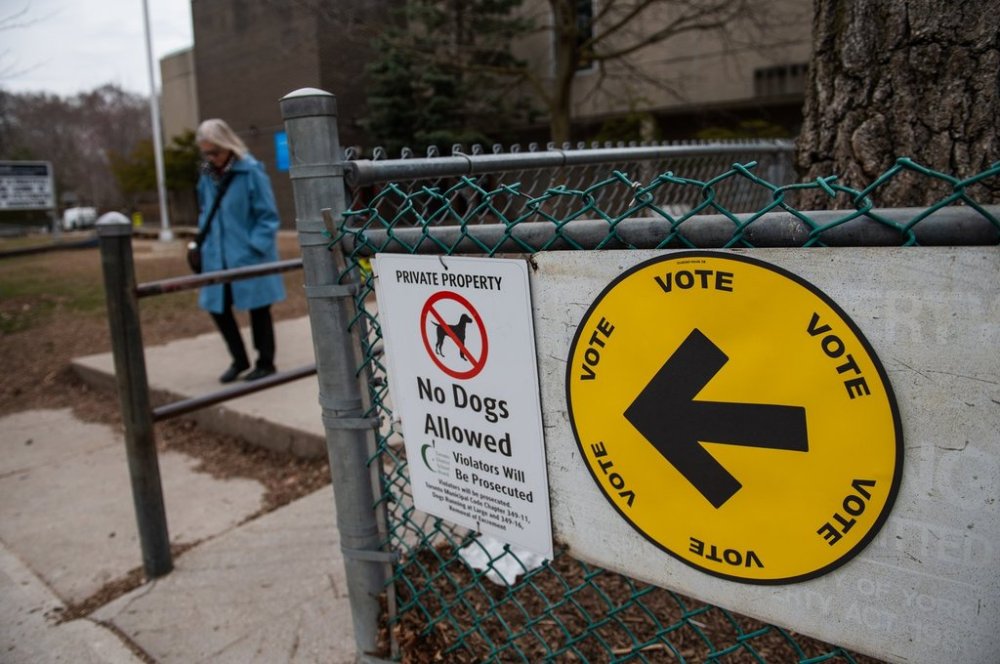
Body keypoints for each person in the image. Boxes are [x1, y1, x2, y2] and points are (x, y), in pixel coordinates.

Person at [194, 118, 286, 383]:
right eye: (206, 152)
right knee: (218, 308)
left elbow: (268, 216)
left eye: (216, 152)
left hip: (249, 253)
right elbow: (204, 210)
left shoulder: (251, 171)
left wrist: (254, 246)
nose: (212, 158)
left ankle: (265, 362)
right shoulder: (207, 175)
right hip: (218, 254)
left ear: (228, 145)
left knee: (259, 309)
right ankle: (239, 359)